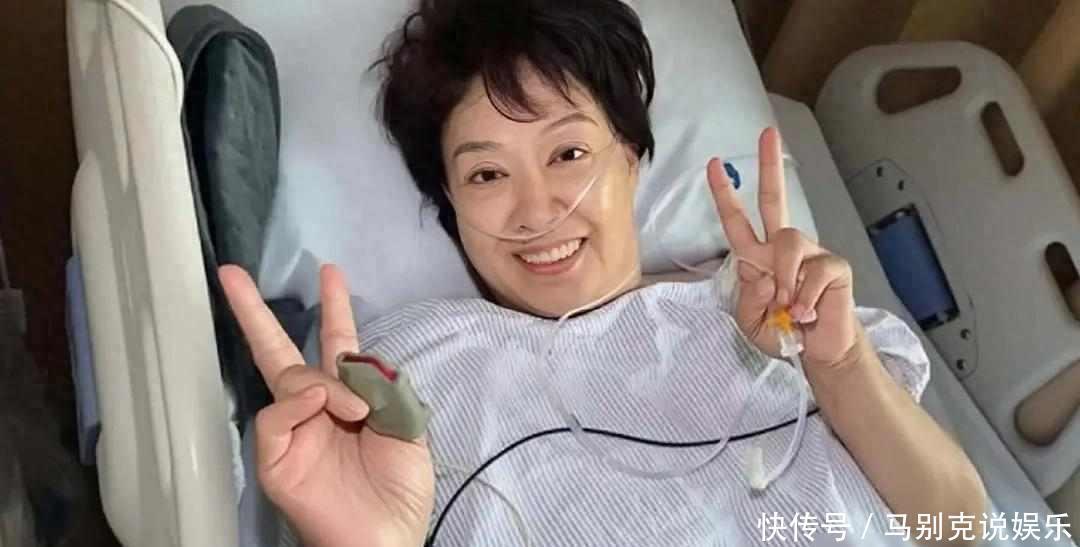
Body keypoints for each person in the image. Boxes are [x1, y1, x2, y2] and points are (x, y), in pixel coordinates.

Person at [218, 0, 987, 545]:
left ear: (630, 154)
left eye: (568, 153)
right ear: (449, 204)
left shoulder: (788, 313)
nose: (537, 211)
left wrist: (841, 365)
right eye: (487, 174)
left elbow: (957, 525)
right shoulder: (414, 368)